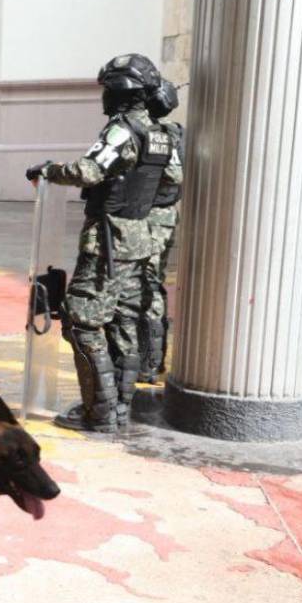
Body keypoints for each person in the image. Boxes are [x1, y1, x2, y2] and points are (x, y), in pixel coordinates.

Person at [27, 54, 179, 432]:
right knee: (123, 323)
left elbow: (89, 170)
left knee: (82, 322)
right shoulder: (159, 133)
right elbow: (170, 181)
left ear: (121, 91)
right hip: (139, 240)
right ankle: (119, 409)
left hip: (109, 243)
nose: (104, 97)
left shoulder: (123, 129)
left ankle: (99, 412)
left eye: (107, 89)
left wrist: (48, 170)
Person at [138, 80, 185, 383]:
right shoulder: (176, 133)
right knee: (150, 286)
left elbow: (170, 176)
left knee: (148, 289)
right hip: (164, 217)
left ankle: (151, 362)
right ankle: (151, 360)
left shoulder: (157, 135)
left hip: (153, 217)